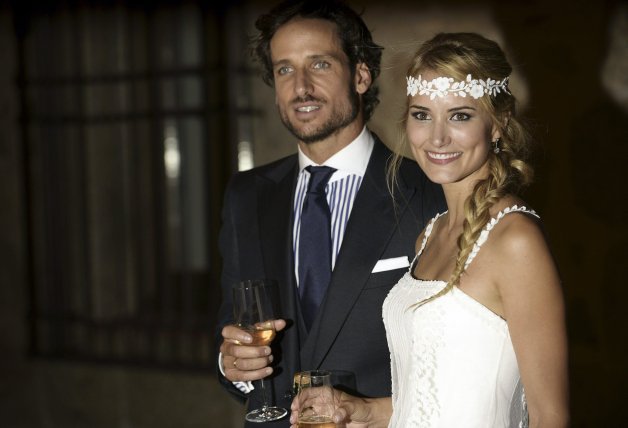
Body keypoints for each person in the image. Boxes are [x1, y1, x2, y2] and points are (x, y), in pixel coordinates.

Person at [289, 32, 569, 428]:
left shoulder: (515, 241)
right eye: (422, 115)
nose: (437, 137)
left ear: (497, 125)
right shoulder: (429, 234)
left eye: (460, 115)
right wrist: (360, 409)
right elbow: (431, 401)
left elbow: (549, 417)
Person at [215, 0, 445, 426]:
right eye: (284, 69)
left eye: (319, 64)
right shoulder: (246, 195)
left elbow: (459, 361)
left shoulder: (430, 194)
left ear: (361, 75)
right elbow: (233, 324)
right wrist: (233, 366)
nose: (300, 86)